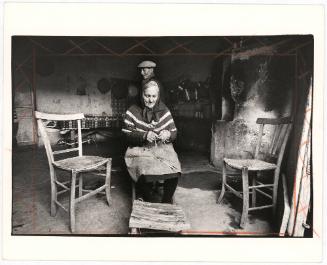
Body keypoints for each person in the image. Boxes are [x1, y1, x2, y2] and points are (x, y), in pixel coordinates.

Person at [122, 80, 181, 203]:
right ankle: (148, 201)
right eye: (147, 96)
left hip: (161, 149)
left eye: (154, 96)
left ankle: (165, 202)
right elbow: (125, 135)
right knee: (144, 171)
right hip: (139, 150)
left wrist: (168, 134)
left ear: (158, 96)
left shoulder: (164, 110)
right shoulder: (132, 111)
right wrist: (144, 136)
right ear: (142, 94)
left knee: (174, 170)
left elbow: (174, 132)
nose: (150, 100)